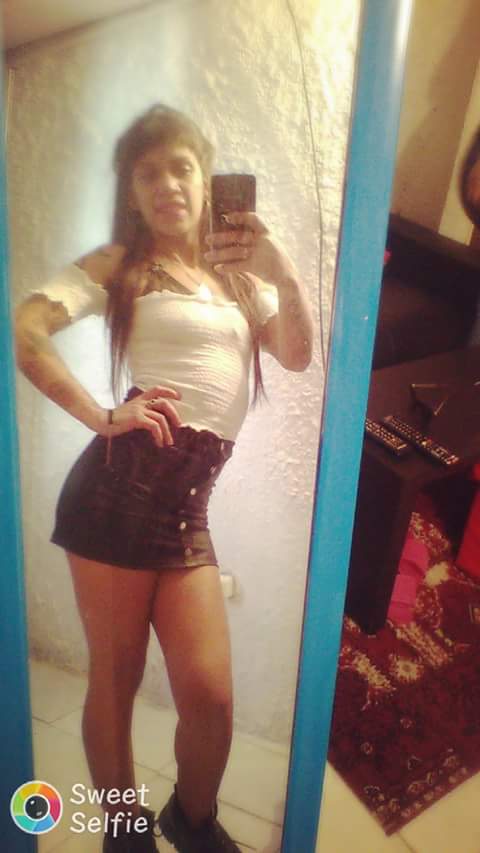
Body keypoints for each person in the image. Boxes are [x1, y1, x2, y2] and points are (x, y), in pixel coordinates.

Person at [15, 104, 314, 853]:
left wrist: (280, 268)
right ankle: (124, 831)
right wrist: (99, 414)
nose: (167, 184)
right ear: (134, 190)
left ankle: (191, 817)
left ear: (206, 179)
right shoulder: (121, 263)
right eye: (148, 173)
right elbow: (25, 327)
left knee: (210, 697)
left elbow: (298, 354)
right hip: (112, 496)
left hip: (188, 509)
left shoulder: (243, 282)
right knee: (115, 680)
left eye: (181, 167)